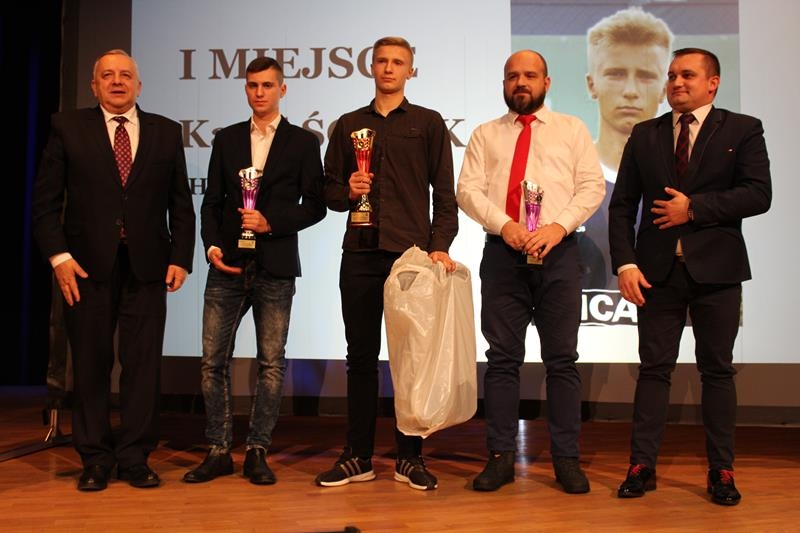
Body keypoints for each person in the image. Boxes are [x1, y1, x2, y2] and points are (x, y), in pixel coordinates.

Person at [609, 48, 772, 506]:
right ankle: (641, 466)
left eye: (687, 75)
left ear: (712, 83)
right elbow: (622, 206)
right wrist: (625, 264)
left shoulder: (742, 129)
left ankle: (722, 470)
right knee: (653, 371)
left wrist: (694, 208)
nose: (677, 82)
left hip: (717, 272)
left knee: (717, 371)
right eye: (671, 75)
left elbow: (758, 194)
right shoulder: (645, 133)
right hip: (656, 273)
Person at [31, 49, 196, 491]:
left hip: (148, 266)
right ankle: (96, 458)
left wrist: (180, 257)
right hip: (85, 268)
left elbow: (180, 202)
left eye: (125, 75)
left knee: (143, 366)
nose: (117, 81)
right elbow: (45, 203)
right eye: (108, 75)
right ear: (94, 85)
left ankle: (135, 457)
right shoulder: (67, 127)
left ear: (139, 85)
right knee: (90, 364)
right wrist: (59, 258)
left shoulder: (165, 131)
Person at [457, 50, 605, 493]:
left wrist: (557, 228)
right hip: (503, 255)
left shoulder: (571, 129)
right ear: (504, 83)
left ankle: (566, 460)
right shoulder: (485, 134)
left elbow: (591, 186)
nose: (520, 82)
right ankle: (500, 458)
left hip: (559, 254)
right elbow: (468, 190)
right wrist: (506, 226)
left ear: (547, 82)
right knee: (502, 360)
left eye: (529, 75)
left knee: (562, 360)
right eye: (512, 76)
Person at [316, 36, 458, 491]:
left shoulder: (428, 123)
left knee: (411, 361)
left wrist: (439, 245)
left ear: (410, 71)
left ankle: (409, 458)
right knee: (360, 358)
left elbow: (446, 195)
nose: (389, 68)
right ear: (371, 67)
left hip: (411, 260)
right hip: (359, 253)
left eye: (398, 62)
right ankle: (357, 456)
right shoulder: (348, 125)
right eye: (382, 61)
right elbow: (328, 192)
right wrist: (348, 191)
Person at [182, 57, 327, 485]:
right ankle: (218, 449)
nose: (259, 92)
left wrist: (271, 223)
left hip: (275, 266)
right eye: (252, 85)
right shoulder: (226, 139)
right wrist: (211, 247)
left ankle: (257, 451)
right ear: (246, 89)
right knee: (212, 362)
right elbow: (211, 202)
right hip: (227, 263)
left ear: (282, 89)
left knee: (271, 364)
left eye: (267, 85)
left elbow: (316, 206)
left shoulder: (303, 142)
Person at [578, 7, 673, 289]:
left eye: (646, 76)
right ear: (592, 84)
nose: (630, 90)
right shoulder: (570, 173)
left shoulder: (681, 175)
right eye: (616, 74)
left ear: (663, 88)